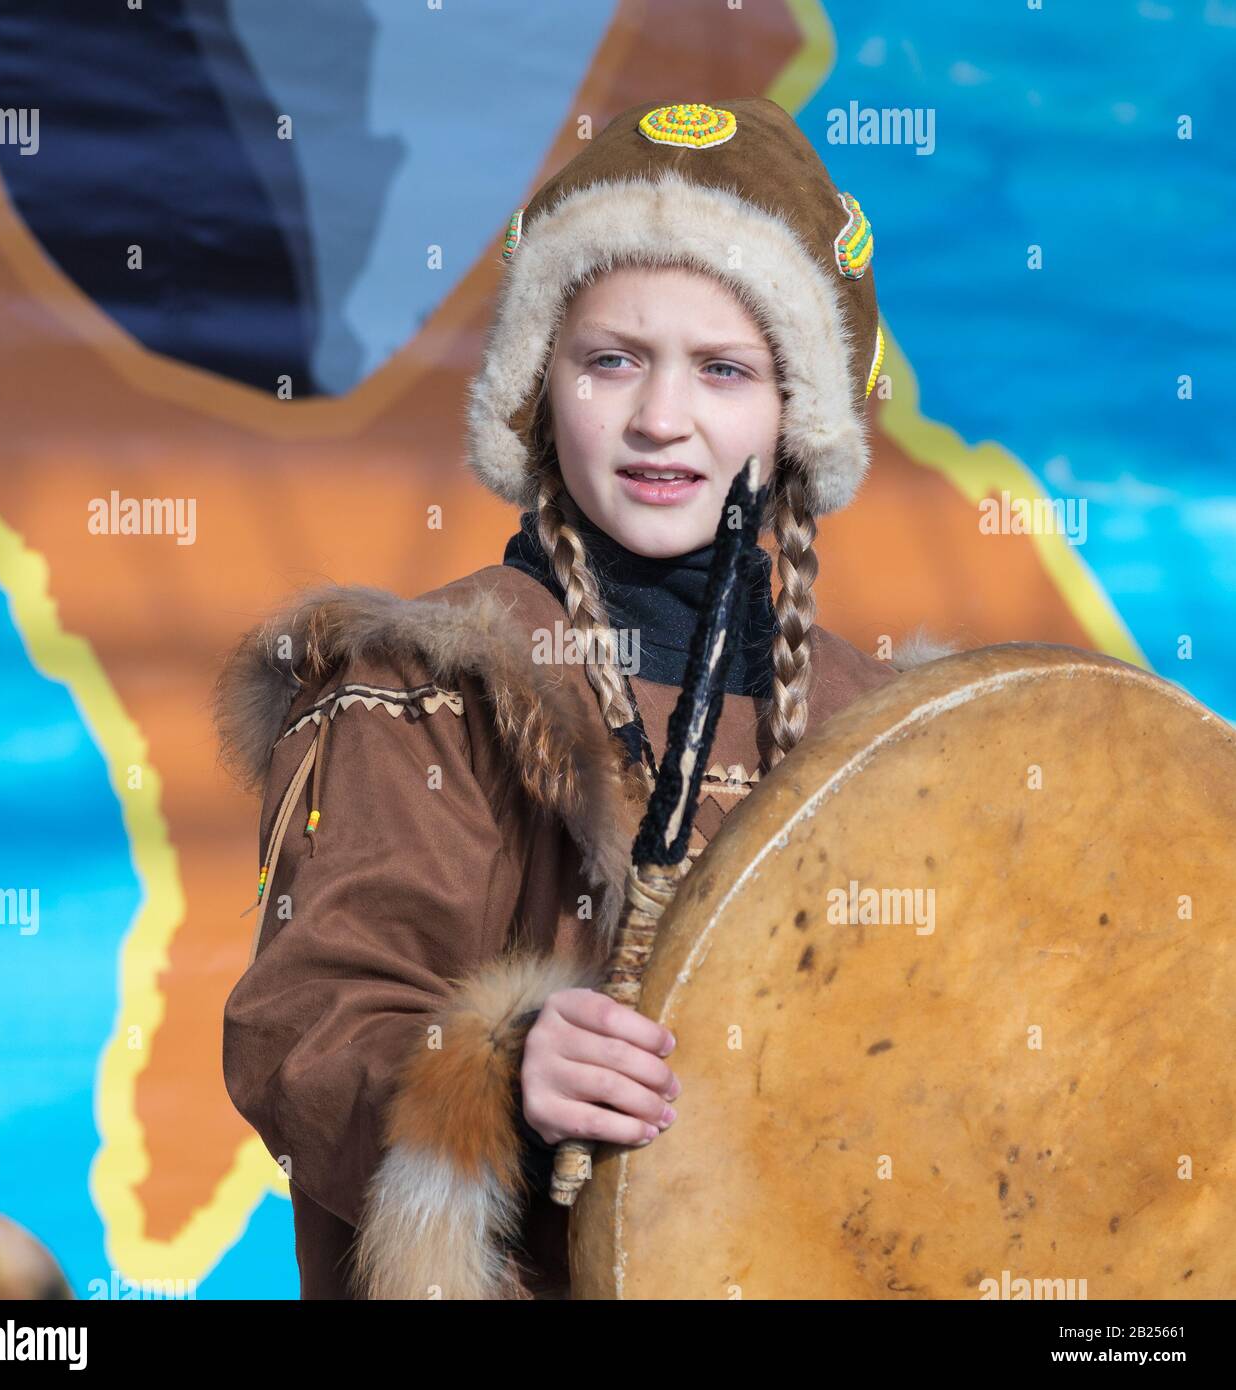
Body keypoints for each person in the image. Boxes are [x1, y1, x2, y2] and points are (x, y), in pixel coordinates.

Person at [214, 96, 939, 1300]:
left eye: (723, 369)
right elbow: (303, 1026)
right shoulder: (426, 679)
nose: (662, 418)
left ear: (795, 409)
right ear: (541, 383)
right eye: (612, 359)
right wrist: (492, 1074)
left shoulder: (887, 732)